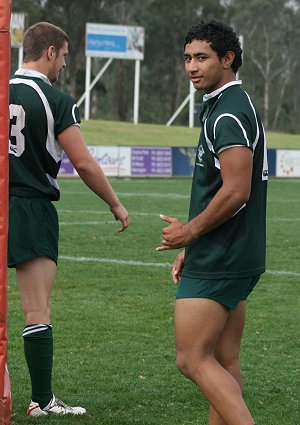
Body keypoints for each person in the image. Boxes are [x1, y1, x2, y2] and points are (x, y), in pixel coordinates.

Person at [8, 22, 130, 417]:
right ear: (48, 52)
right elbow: (83, 162)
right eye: (62, 56)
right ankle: (41, 400)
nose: (63, 64)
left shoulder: (2, 88)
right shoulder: (56, 99)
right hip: (31, 208)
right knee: (36, 309)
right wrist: (115, 203)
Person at [157, 20, 267, 425]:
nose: (192, 66)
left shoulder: (229, 113)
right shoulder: (226, 105)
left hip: (223, 253)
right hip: (232, 249)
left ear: (228, 59)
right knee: (224, 360)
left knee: (191, 359)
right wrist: (192, 244)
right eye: (187, 58)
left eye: (202, 57)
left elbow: (237, 191)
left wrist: (190, 232)